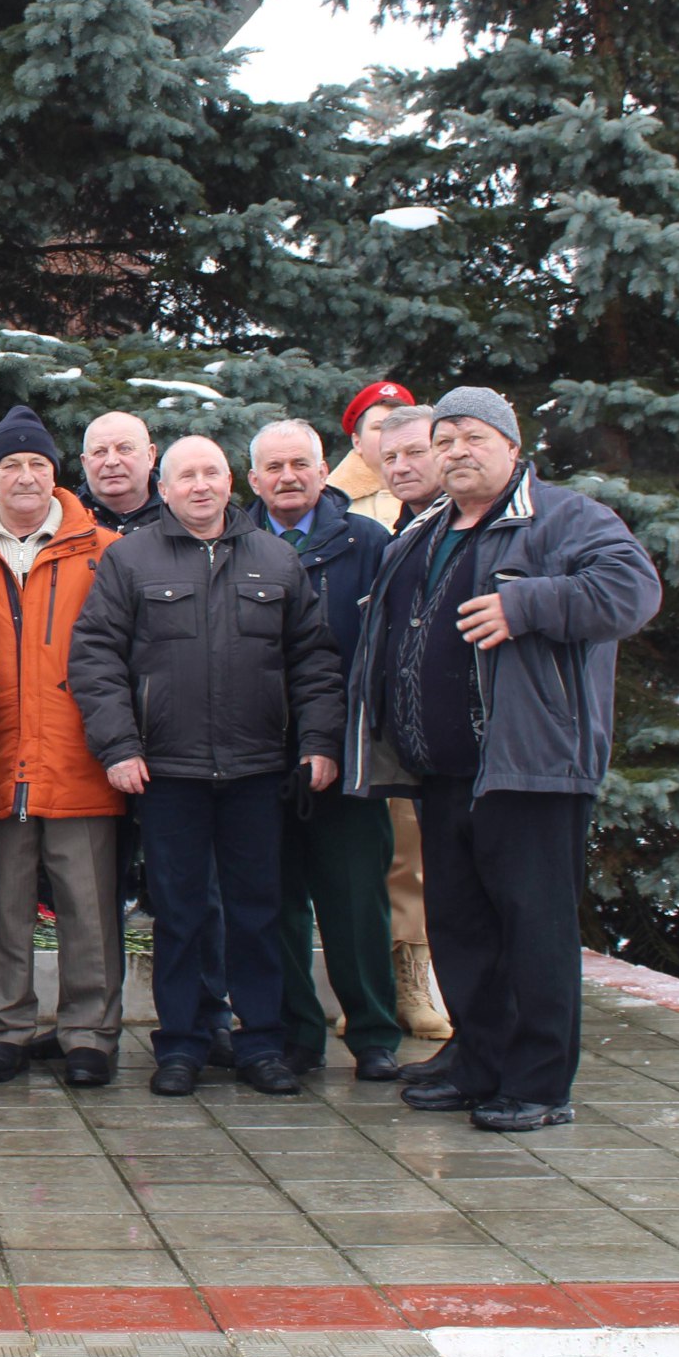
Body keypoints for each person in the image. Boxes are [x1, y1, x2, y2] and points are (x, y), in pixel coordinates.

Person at [347, 388, 660, 1132]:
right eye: (445, 439)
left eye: (473, 437)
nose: (456, 452)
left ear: (513, 447)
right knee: (461, 927)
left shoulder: (562, 517)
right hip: (444, 769)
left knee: (534, 927)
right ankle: (479, 1058)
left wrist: (528, 606)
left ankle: (541, 1081)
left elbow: (631, 589)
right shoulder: (430, 530)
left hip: (530, 766)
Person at [67, 435, 344, 1098]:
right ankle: (182, 1043)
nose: (199, 486)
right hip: (168, 773)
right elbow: (95, 660)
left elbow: (314, 660)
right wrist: (120, 746)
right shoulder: (130, 559)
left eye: (211, 473)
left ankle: (261, 1042)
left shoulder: (275, 559)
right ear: (163, 488)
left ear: (231, 483)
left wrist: (320, 742)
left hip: (257, 770)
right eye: (185, 475)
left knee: (257, 911)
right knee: (181, 914)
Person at [0, 407, 124, 1088]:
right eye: (9, 465)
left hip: (80, 756)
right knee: (2, 907)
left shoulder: (105, 549)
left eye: (37, 464)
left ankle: (89, 1033)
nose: (24, 476)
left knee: (89, 907)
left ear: (55, 474)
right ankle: (8, 1030)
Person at [246, 420, 402, 1082]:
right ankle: (295, 1033)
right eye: (273, 466)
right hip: (255, 754)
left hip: (347, 755)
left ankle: (373, 1032)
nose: (287, 476)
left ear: (323, 470)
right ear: (252, 479)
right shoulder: (233, 541)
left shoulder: (367, 542)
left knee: (354, 898)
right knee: (272, 901)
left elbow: (388, 645)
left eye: (300, 463)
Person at [80, 408, 229, 1063]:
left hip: (186, 750)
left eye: (125, 448)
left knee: (201, 893)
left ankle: (208, 1012)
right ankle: (93, 1025)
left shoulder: (194, 530)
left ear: (152, 460)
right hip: (101, 747)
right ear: (82, 465)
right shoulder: (71, 528)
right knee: (95, 891)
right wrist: (115, 739)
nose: (111, 461)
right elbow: (93, 651)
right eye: (97, 451)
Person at [371, 405, 451, 1043]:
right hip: (388, 724)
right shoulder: (384, 526)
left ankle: (416, 979)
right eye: (389, 455)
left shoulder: (465, 525)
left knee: (420, 864)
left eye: (414, 452)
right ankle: (372, 981)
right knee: (388, 854)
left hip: (455, 730)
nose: (400, 465)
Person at [327, 379, 414, 530]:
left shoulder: (439, 494)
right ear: (357, 442)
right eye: (379, 427)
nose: (390, 434)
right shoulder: (330, 501)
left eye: (399, 426)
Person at [78, 410, 166, 535]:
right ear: (85, 463)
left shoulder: (179, 515)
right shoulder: (65, 520)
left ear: (150, 456)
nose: (111, 461)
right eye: (100, 452)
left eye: (124, 449)